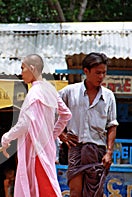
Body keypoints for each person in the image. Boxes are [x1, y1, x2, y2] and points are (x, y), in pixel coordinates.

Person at [1, 54, 72, 197]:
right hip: (46, 147)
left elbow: (25, 124)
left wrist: (7, 137)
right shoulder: (50, 90)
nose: (21, 73)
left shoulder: (34, 93)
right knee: (39, 188)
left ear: (32, 68)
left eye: (23, 68)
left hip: (36, 150)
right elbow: (66, 114)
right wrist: (51, 135)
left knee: (44, 188)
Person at [58, 52, 118, 197]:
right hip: (75, 149)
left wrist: (109, 152)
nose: (101, 77)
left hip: (97, 151)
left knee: (95, 193)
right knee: (75, 192)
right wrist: (61, 135)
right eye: (97, 73)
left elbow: (112, 125)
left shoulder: (109, 96)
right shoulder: (69, 92)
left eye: (104, 73)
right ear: (86, 71)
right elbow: (51, 110)